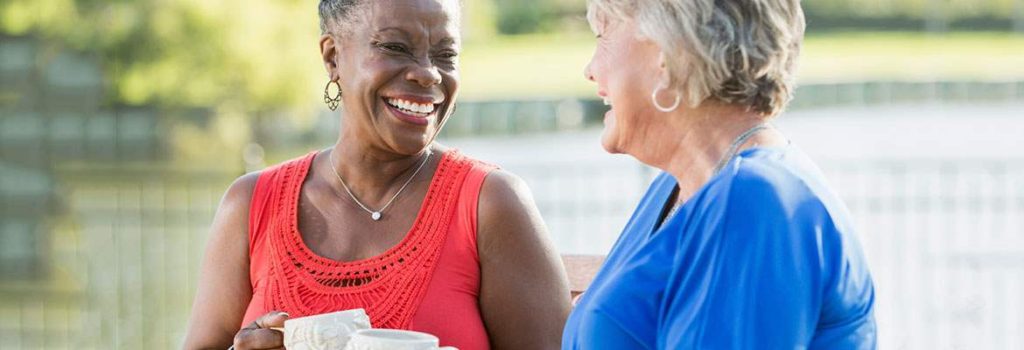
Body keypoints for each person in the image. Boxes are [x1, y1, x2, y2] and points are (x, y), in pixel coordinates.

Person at [183, 1, 571, 349]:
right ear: (333, 57)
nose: (428, 74)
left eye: (446, 54)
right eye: (395, 47)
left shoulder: (491, 203)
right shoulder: (252, 203)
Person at [562, 0, 876, 349]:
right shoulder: (676, 188)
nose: (590, 69)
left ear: (668, 54)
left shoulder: (752, 199)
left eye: (602, 35)